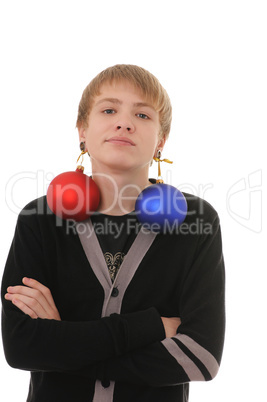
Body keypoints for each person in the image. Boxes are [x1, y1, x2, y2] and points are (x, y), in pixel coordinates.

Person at [1, 64, 225, 402]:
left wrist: (61, 342)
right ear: (82, 131)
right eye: (109, 109)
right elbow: (21, 348)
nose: (124, 122)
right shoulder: (40, 218)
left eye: (143, 115)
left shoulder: (196, 221)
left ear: (161, 140)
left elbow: (201, 358)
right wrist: (151, 327)